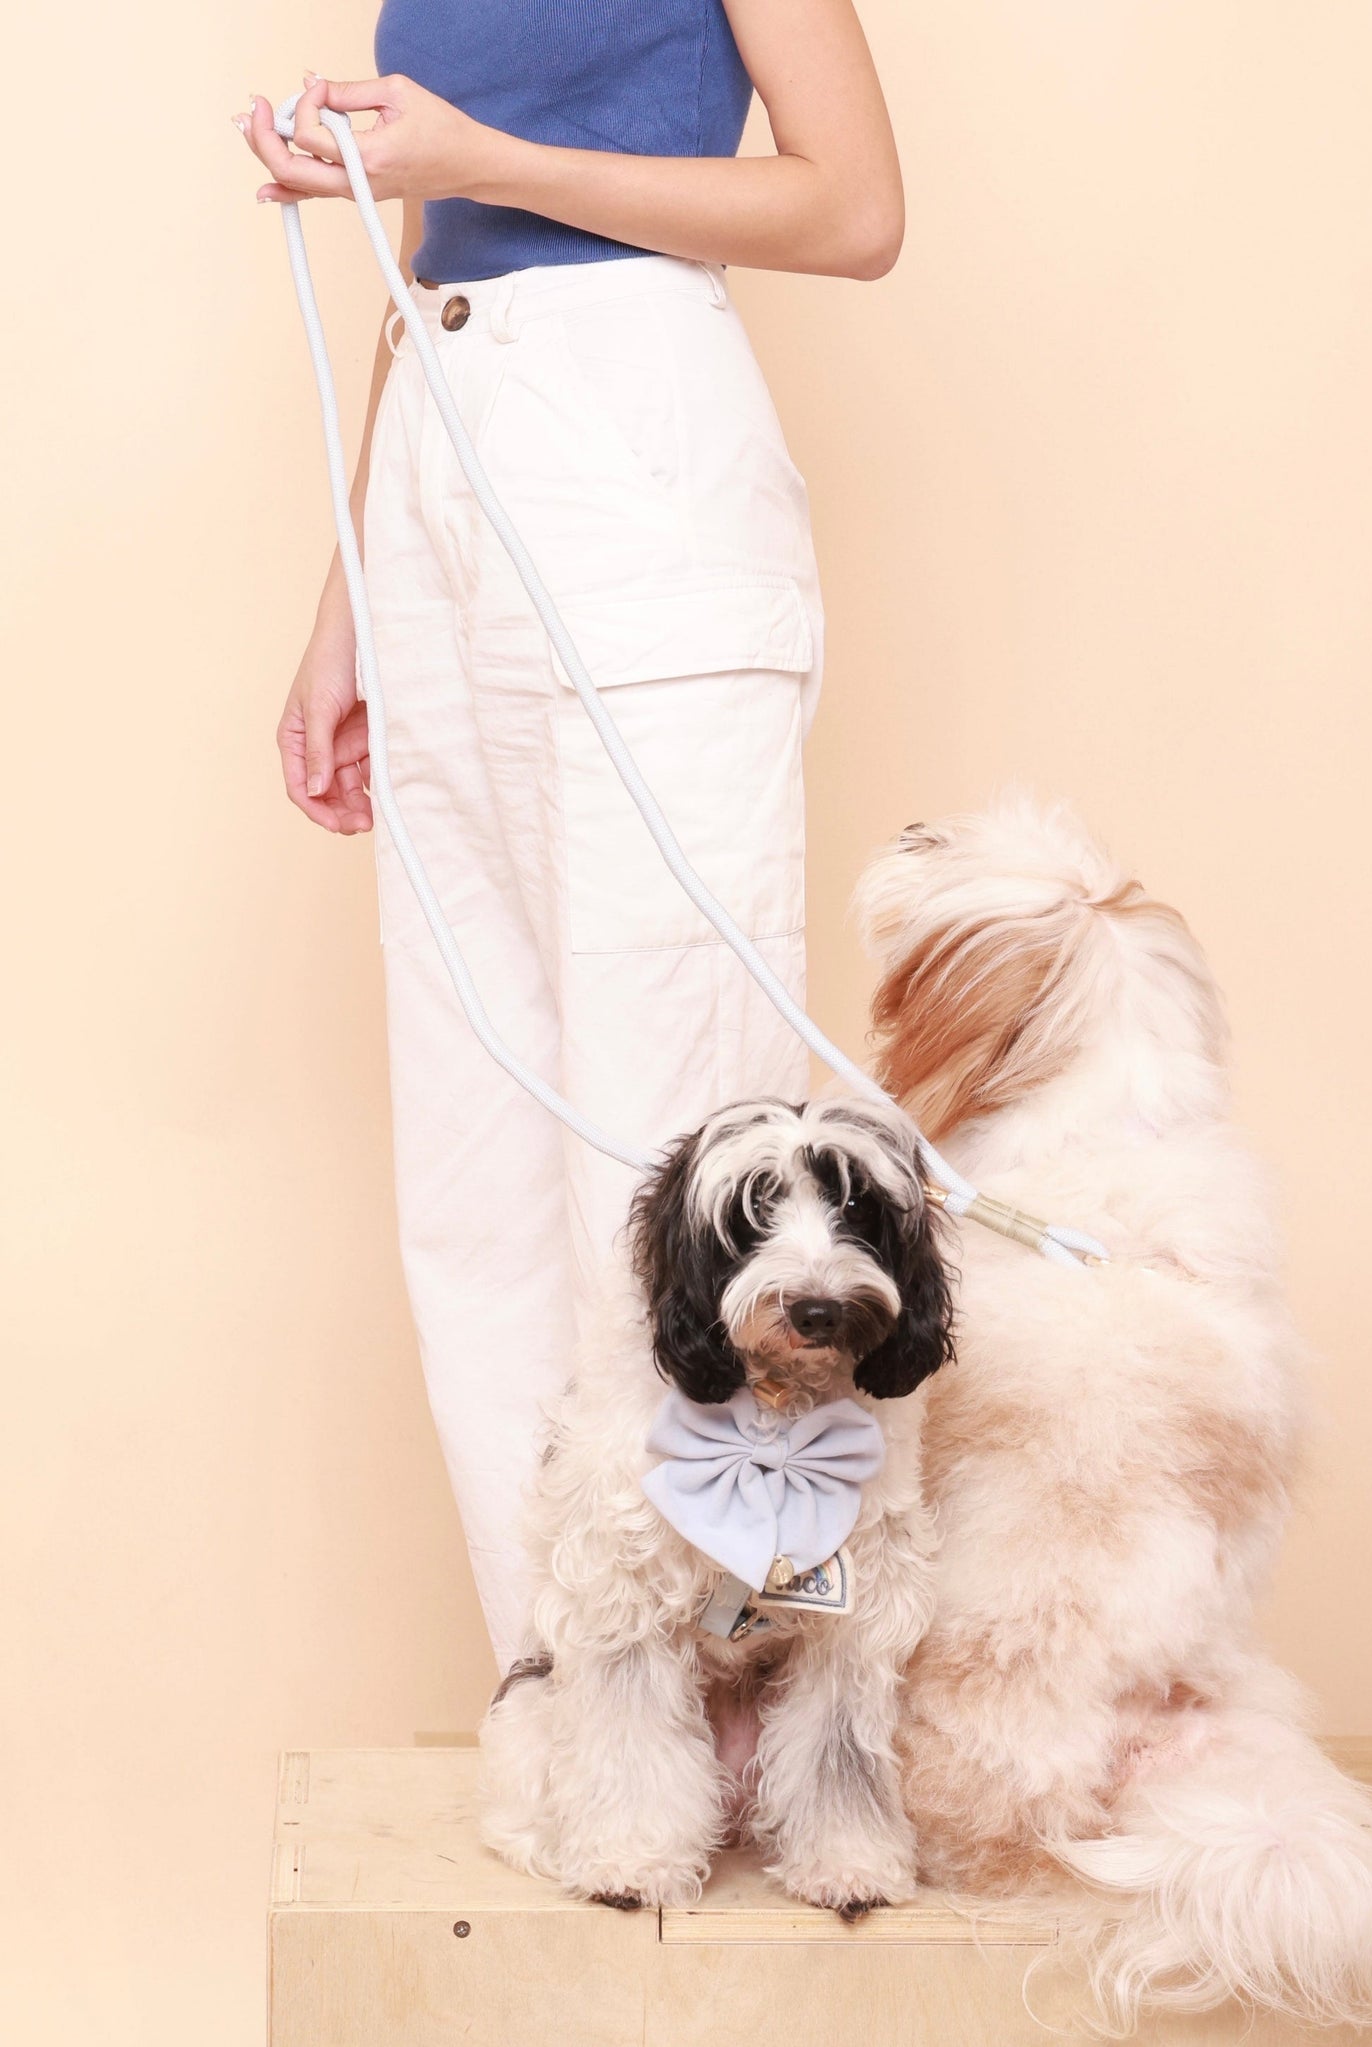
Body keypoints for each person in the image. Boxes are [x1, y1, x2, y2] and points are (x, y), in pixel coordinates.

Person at [236, 0, 904, 1668]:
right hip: (445, 467)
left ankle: (779, 1706)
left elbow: (854, 210)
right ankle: (579, 1700)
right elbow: (421, 266)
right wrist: (352, 613)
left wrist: (483, 154)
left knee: (691, 1141)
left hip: (632, 447)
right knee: (478, 1156)